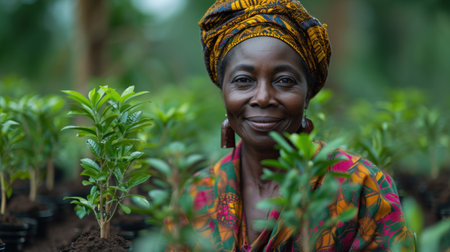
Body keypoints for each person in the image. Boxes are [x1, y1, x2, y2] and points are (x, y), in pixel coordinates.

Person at [185, 0, 414, 251]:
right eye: (243, 80)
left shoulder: (362, 186)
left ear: (308, 95)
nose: (262, 97)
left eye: (284, 80)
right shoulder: (196, 194)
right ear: (223, 91)